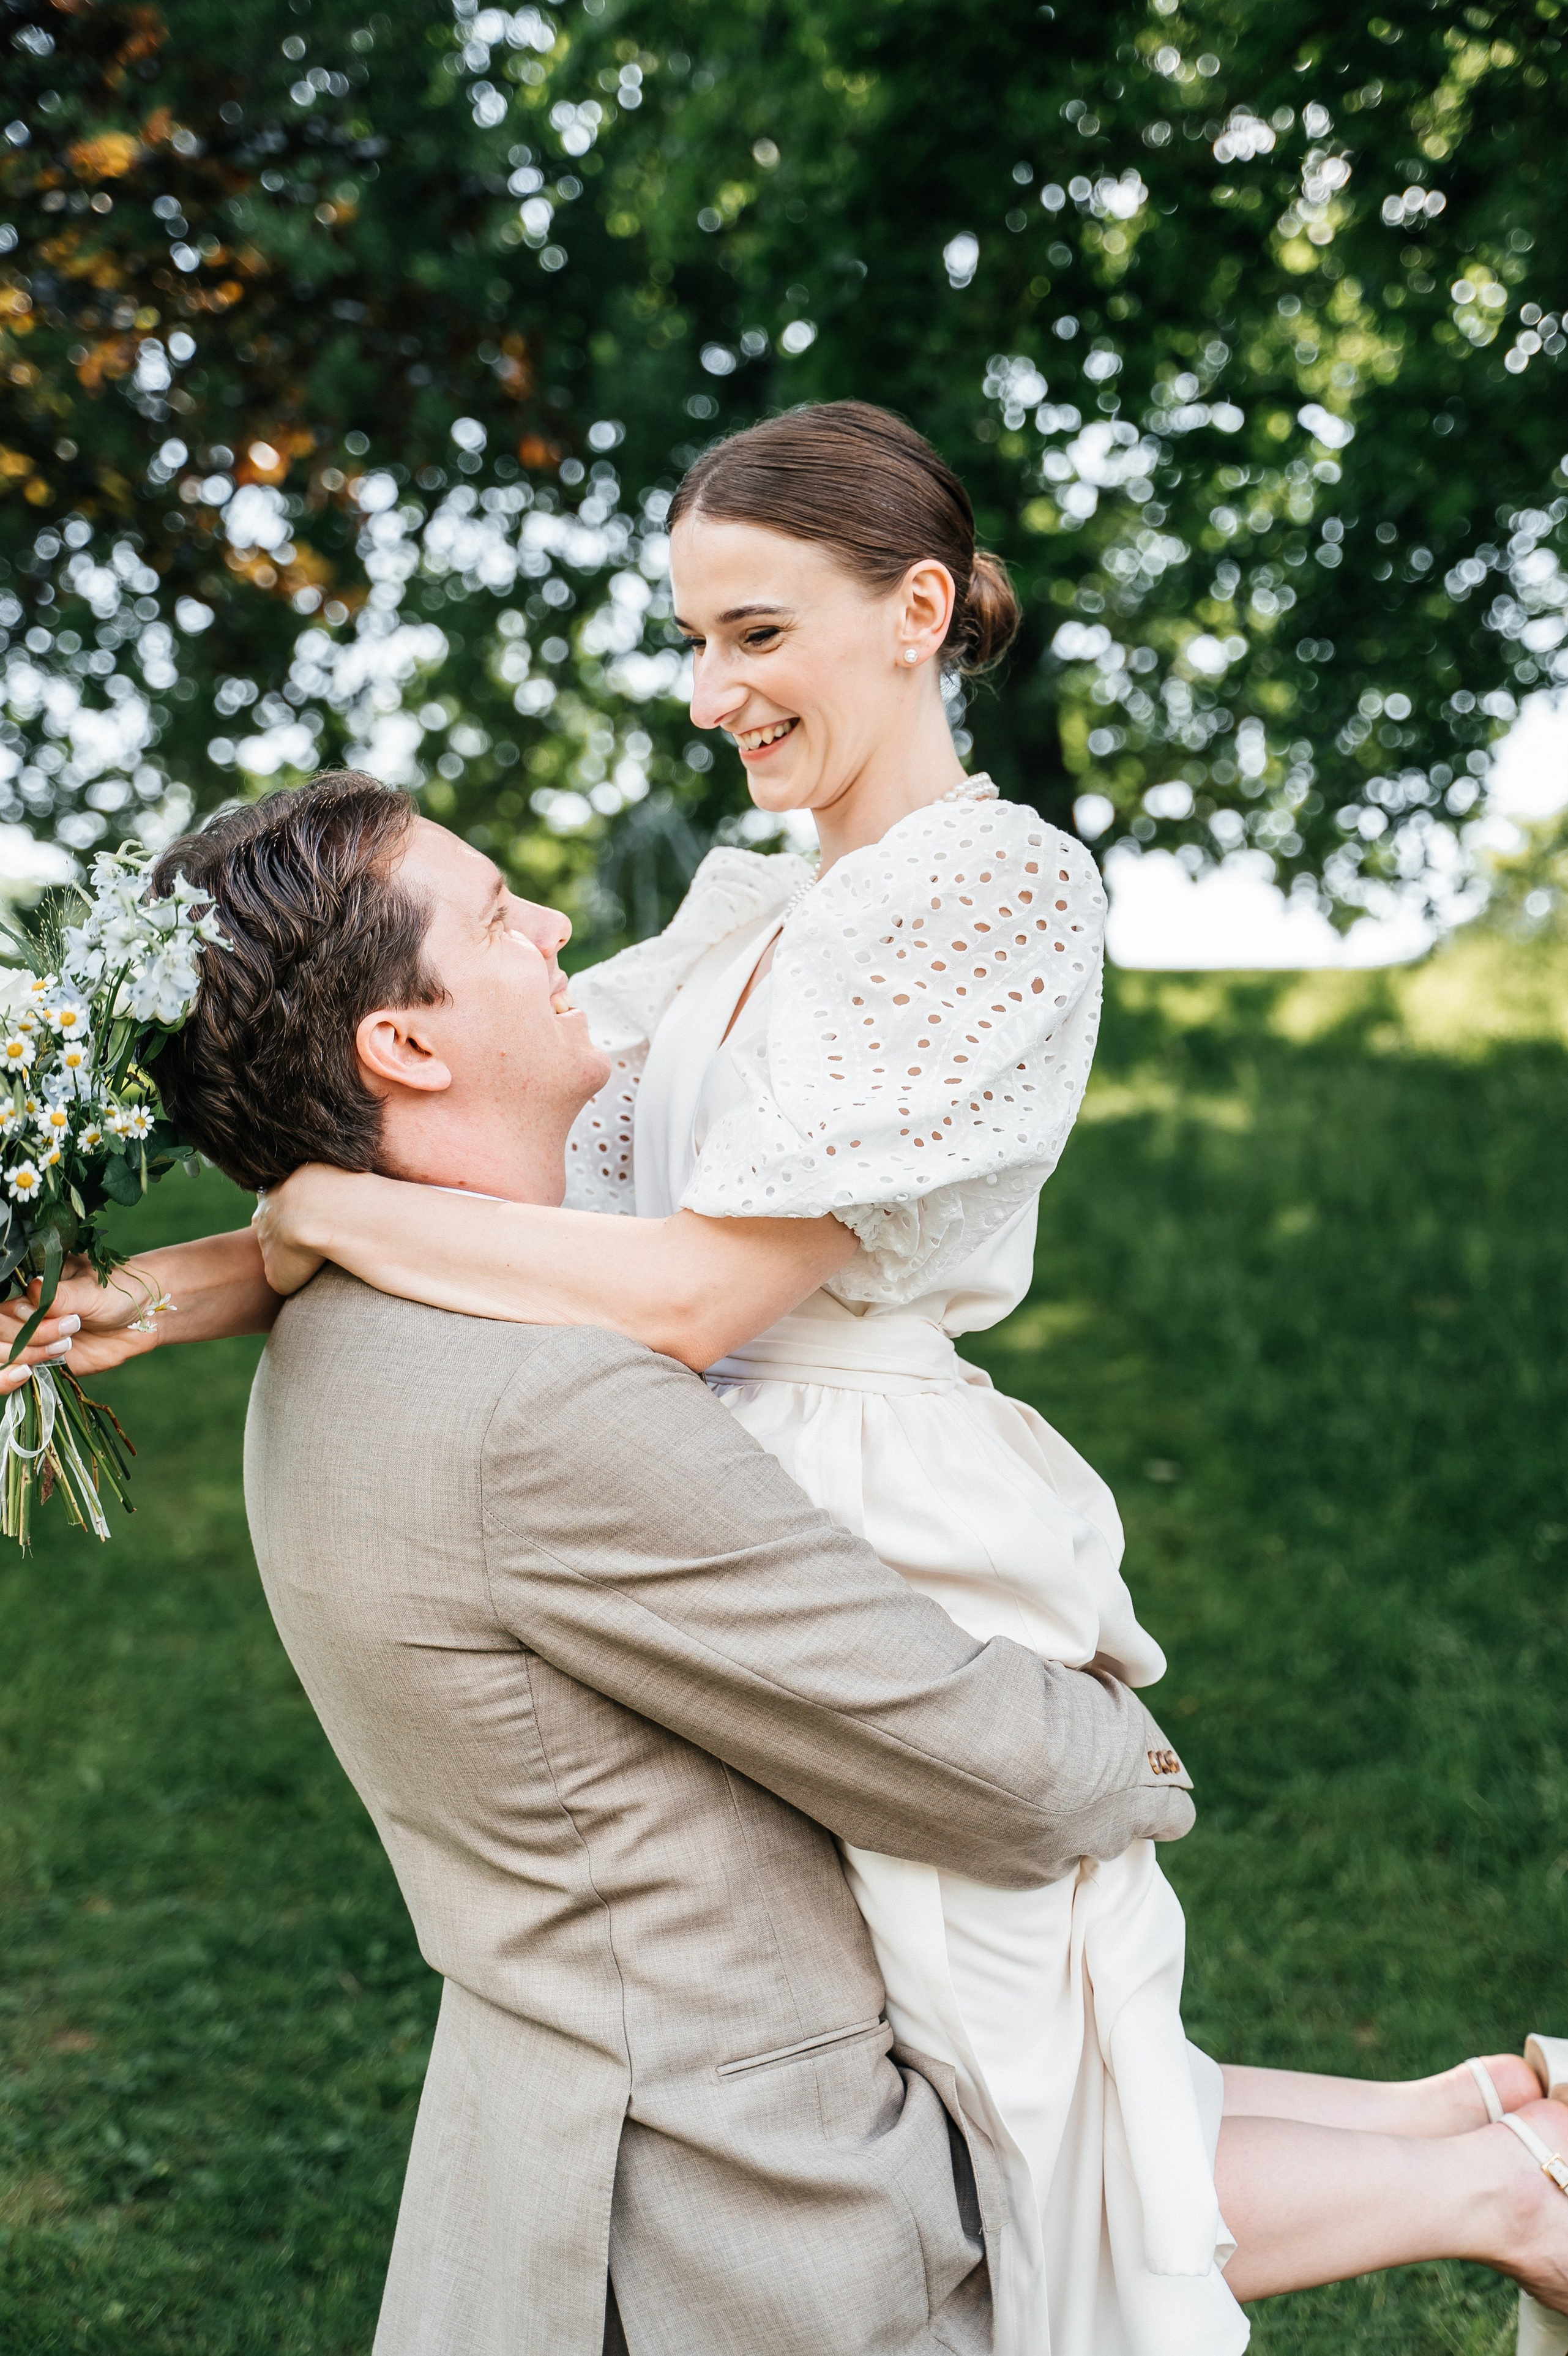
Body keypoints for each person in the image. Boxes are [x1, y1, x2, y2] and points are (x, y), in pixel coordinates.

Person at [13, 422, 1568, 2350]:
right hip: (722, 1477)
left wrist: (310, 1198)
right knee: (1010, 2089)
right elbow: (519, 1189)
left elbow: (671, 1289)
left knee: (1024, 2117)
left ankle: (1504, 2181)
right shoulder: (760, 908)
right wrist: (208, 1275)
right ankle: (1490, 2135)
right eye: (689, 637)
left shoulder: (988, 894)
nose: (708, 692)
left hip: (878, 1506)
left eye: (755, 631)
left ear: (917, 612)